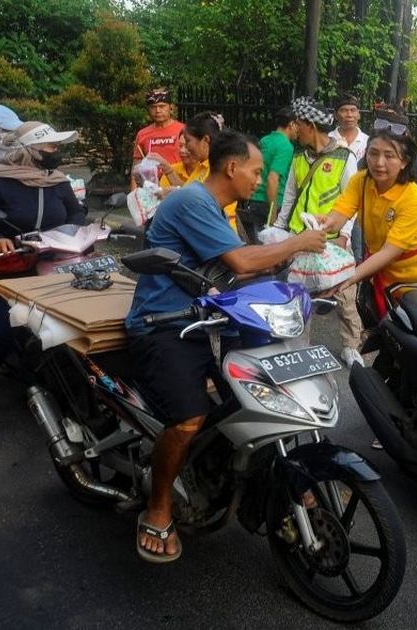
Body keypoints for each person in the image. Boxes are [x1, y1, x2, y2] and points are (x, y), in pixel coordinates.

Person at [126, 131, 327, 562]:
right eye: (256, 171)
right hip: (164, 325)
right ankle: (159, 506)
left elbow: (236, 275)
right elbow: (240, 262)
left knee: (263, 396)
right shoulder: (191, 201)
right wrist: (297, 242)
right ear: (232, 167)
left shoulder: (221, 211)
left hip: (209, 321)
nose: (260, 179)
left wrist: (288, 265)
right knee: (187, 418)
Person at [0, 122, 86, 423]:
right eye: (51, 147)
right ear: (28, 151)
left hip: (56, 261)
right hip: (9, 264)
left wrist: (72, 230)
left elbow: (76, 211)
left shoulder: (56, 180)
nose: (57, 153)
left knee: (79, 320)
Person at [272, 97, 365, 367]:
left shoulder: (344, 157)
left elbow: (352, 200)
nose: (295, 129)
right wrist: (279, 231)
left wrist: (345, 232)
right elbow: (290, 197)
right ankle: (300, 345)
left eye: (297, 124)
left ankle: (351, 346)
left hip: (332, 239)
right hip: (300, 238)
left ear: (310, 125)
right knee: (299, 294)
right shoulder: (298, 157)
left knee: (344, 295)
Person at [319, 121, 417, 317]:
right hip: (377, 277)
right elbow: (340, 214)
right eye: (373, 153)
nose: (379, 162)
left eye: (389, 155)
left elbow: (388, 252)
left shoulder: (413, 198)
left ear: (404, 161)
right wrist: (322, 224)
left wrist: (348, 278)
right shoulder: (361, 180)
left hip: (414, 284)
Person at [154, 112, 241, 232]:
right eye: (181, 145)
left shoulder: (219, 168)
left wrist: (174, 193)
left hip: (217, 235)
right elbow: (188, 190)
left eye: (188, 142)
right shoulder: (203, 166)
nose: (186, 149)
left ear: (205, 140)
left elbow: (203, 203)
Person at [238, 107, 296, 244]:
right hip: (271, 203)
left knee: (254, 244)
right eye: (297, 125)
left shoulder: (264, 140)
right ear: (291, 124)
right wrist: (273, 211)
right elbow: (273, 178)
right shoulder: (286, 146)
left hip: (254, 199)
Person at [131, 88, 185, 184]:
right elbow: (136, 169)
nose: (158, 110)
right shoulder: (142, 134)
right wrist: (134, 194)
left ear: (170, 107)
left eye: (162, 106)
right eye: (153, 107)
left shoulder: (184, 130)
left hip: (178, 183)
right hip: (151, 187)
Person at [329, 93, 368, 161]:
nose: (349, 115)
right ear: (335, 115)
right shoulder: (328, 139)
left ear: (359, 115)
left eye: (353, 110)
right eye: (344, 110)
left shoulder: (368, 142)